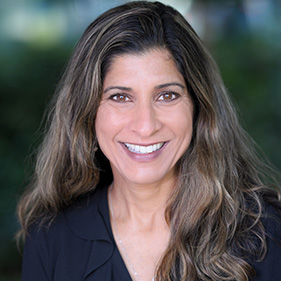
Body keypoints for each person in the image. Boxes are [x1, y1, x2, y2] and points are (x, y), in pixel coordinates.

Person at [17, 1, 281, 281]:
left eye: (167, 95)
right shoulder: (51, 238)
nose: (145, 126)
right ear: (87, 111)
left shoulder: (264, 233)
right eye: (120, 97)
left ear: (198, 107)